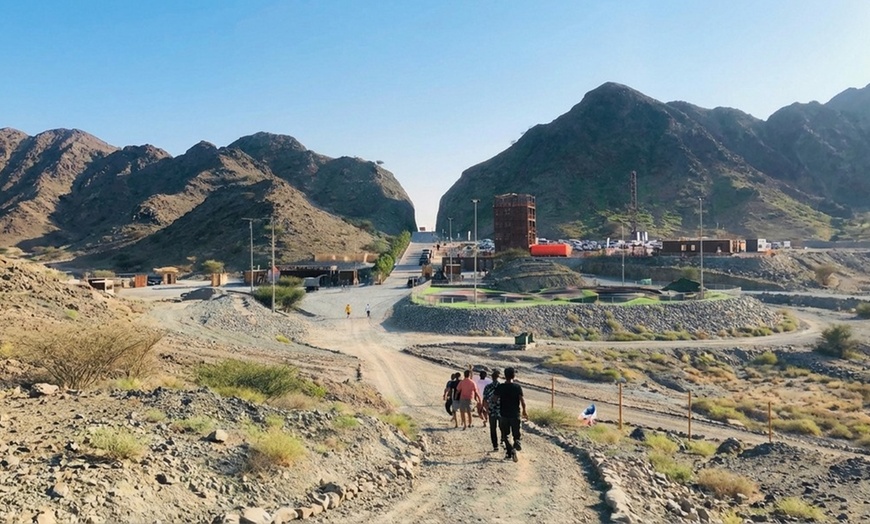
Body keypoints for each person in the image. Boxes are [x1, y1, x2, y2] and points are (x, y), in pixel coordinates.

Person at [494, 367, 527, 462]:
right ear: (514, 375)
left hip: (504, 414)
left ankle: (511, 451)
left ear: (505, 376)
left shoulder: (501, 387)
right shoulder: (517, 387)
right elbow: (522, 400)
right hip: (515, 414)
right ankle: (517, 441)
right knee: (516, 433)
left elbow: (495, 399)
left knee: (506, 435)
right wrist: (524, 411)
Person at [482, 369, 501, 452]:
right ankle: (503, 440)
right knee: (502, 427)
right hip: (501, 411)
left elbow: (485, 400)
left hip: (491, 410)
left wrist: (487, 409)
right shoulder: (501, 386)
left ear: (492, 378)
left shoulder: (488, 387)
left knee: (493, 428)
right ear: (498, 377)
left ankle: (495, 446)